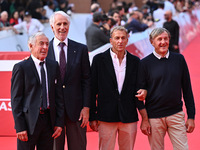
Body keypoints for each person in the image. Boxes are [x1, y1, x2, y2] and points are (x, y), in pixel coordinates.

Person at [89, 26, 151, 150]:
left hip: (128, 117)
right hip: (105, 117)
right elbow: (92, 90)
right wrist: (92, 116)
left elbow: (139, 90)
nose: (120, 41)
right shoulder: (98, 60)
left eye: (123, 38)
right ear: (111, 40)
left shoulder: (135, 61)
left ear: (127, 40)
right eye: (117, 38)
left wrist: (144, 117)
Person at [138, 27, 195, 150]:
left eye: (165, 39)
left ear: (169, 39)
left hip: (176, 115)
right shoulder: (144, 64)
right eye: (159, 39)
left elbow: (187, 88)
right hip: (154, 118)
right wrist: (144, 119)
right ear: (152, 42)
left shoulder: (179, 59)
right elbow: (138, 93)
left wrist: (191, 116)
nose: (163, 42)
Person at [11, 32, 64, 150]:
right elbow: (16, 100)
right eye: (41, 44)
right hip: (28, 123)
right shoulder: (21, 67)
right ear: (31, 46)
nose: (45, 47)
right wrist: (20, 127)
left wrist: (59, 122)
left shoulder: (53, 66)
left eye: (46, 44)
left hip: (49, 121)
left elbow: (58, 96)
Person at [47, 11, 91, 150]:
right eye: (58, 24)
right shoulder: (43, 50)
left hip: (77, 110)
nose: (62, 27)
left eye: (65, 23)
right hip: (52, 112)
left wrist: (86, 107)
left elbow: (87, 80)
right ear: (52, 27)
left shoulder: (81, 49)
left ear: (69, 26)